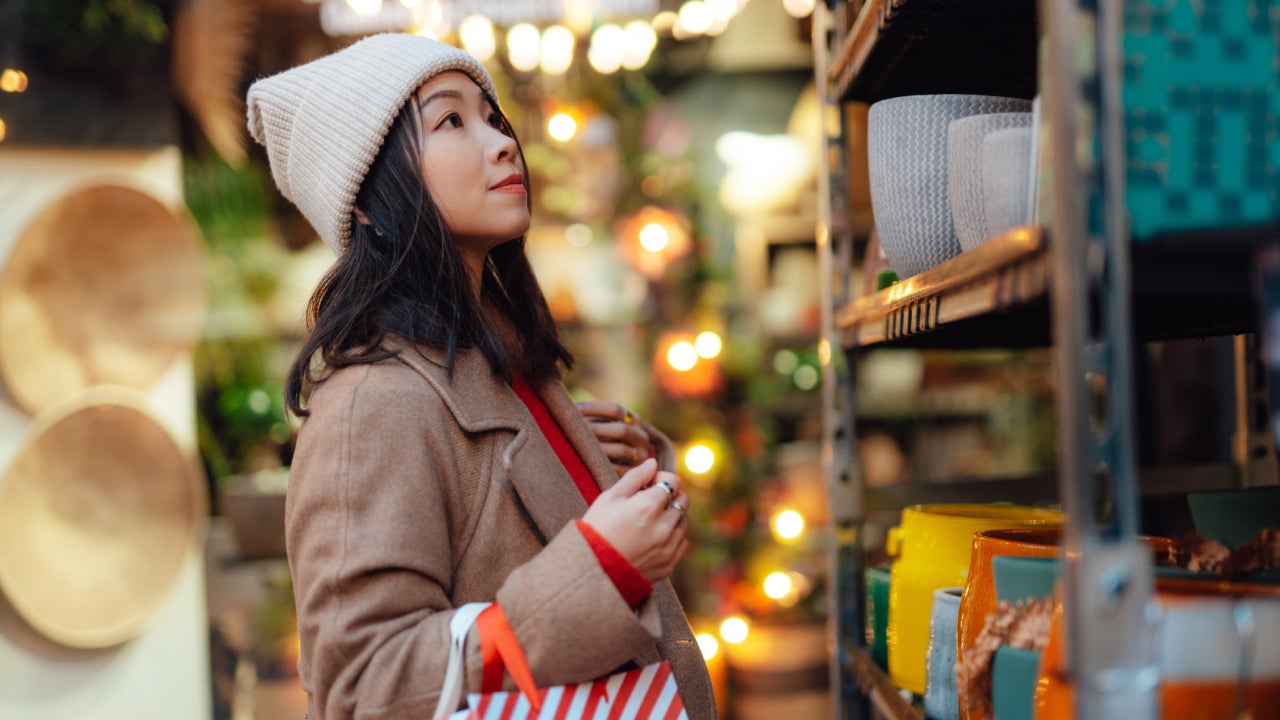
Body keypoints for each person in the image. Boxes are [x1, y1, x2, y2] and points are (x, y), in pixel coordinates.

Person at [245, 33, 716, 720]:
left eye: (491, 117)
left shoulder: (503, 361)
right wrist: (600, 565)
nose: (501, 143)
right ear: (372, 198)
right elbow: (360, 684)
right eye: (450, 121)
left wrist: (587, 469)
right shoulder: (370, 402)